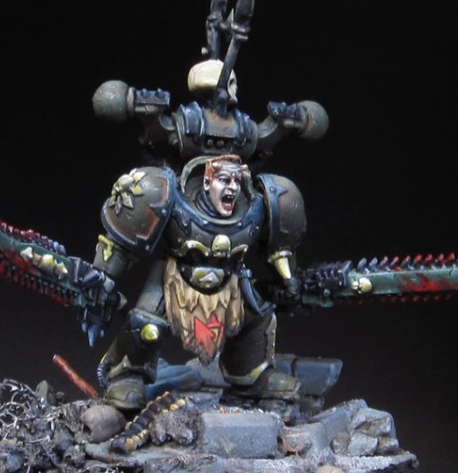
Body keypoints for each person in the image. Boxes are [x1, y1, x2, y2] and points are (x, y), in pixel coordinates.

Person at [86, 154, 307, 409]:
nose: (233, 187)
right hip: (175, 281)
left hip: (230, 284)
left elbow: (280, 251)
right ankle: (127, 374)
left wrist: (290, 281)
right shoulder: (170, 196)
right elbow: (121, 246)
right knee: (147, 327)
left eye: (237, 180)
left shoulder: (255, 205)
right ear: (207, 181)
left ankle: (251, 373)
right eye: (224, 180)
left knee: (258, 316)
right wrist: (101, 279)